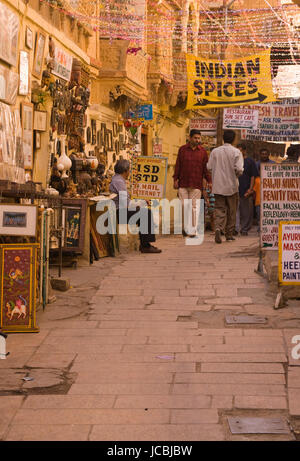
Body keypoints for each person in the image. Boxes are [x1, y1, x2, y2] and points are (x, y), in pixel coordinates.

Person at [109, 159, 162, 254]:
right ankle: (145, 246)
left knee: (144, 212)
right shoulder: (119, 181)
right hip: (118, 212)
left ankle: (145, 244)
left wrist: (141, 203)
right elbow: (126, 204)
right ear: (125, 171)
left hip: (120, 210)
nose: (129, 173)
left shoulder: (118, 179)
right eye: (129, 170)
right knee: (146, 213)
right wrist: (141, 203)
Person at [207, 130, 244, 244]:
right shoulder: (236, 152)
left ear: (223, 138)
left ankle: (218, 228)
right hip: (232, 186)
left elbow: (209, 167)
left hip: (218, 186)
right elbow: (239, 169)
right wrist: (235, 176)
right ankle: (229, 234)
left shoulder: (215, 151)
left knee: (219, 209)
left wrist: (216, 174)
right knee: (232, 211)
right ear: (233, 140)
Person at [173, 129, 211, 237]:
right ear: (190, 138)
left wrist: (209, 181)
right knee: (184, 206)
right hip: (183, 183)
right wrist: (175, 179)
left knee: (194, 207)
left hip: (196, 184)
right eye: (195, 138)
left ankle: (192, 230)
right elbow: (178, 165)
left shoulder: (203, 152)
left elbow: (205, 168)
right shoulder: (182, 150)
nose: (197, 140)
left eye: (199, 138)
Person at [236, 143, 259, 236]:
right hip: (235, 189)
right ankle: (236, 229)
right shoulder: (235, 161)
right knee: (235, 211)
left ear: (244, 151)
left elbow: (253, 176)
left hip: (246, 189)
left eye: (240, 150)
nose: (238, 152)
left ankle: (244, 229)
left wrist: (250, 189)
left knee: (246, 212)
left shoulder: (250, 161)